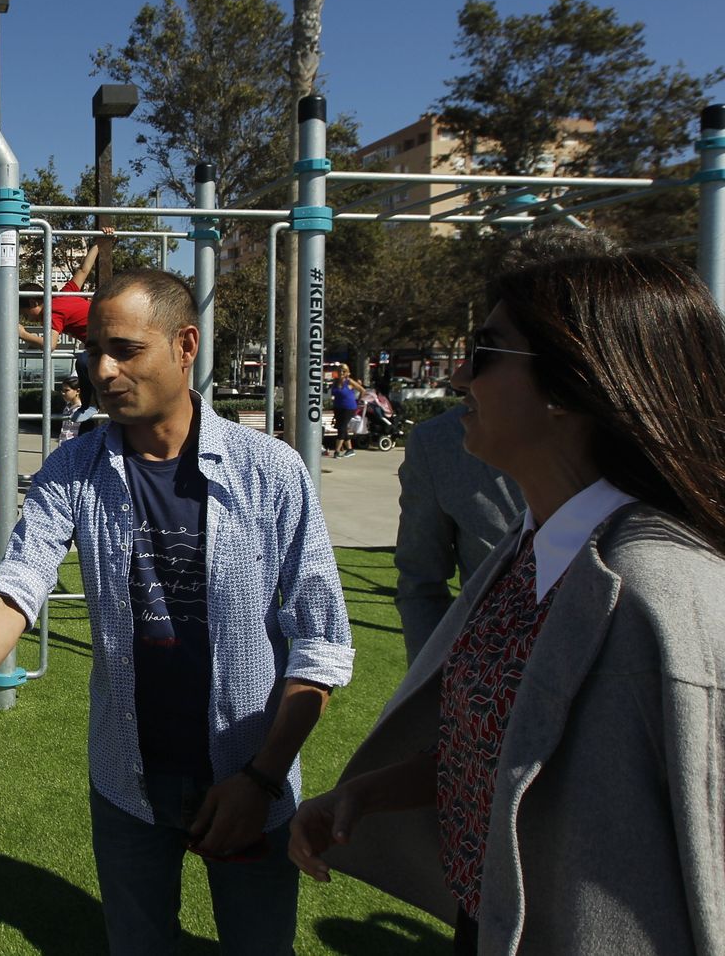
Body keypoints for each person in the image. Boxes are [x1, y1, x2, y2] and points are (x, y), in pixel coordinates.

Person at [289, 248, 725, 955]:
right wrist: (363, 793)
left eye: (485, 352)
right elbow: (507, 750)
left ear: (572, 383)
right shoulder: (533, 548)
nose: (459, 374)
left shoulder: (665, 593)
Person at [0, 269, 354, 953]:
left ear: (186, 344)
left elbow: (321, 642)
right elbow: (17, 583)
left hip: (251, 773)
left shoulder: (269, 471)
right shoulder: (74, 468)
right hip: (128, 780)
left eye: (124, 348)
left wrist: (262, 778)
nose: (102, 368)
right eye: (92, 350)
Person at [393, 404, 522, 664]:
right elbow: (419, 583)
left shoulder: (619, 436)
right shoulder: (440, 440)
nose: (459, 377)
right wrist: (430, 684)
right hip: (486, 681)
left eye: (488, 361)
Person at [19, 230, 107, 408]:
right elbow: (84, 269)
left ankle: (90, 404)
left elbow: (50, 345)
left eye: (25, 313)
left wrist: (23, 334)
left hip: (104, 339)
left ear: (35, 302)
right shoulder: (64, 294)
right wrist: (100, 242)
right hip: (108, 330)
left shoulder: (51, 313)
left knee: (83, 361)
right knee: (85, 361)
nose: (27, 318)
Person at [329, 366, 365, 459]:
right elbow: (333, 394)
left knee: (342, 428)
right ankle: (350, 449)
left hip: (348, 408)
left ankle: (337, 451)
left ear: (347, 372)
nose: (341, 373)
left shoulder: (349, 382)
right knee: (342, 428)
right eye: (340, 371)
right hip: (338, 408)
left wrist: (358, 401)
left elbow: (362, 390)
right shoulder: (335, 382)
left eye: (344, 371)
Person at [57, 374, 97, 443]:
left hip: (75, 445)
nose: (63, 393)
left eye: (66, 390)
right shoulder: (67, 407)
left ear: (77, 391)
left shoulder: (83, 410)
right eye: (62, 390)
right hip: (64, 444)